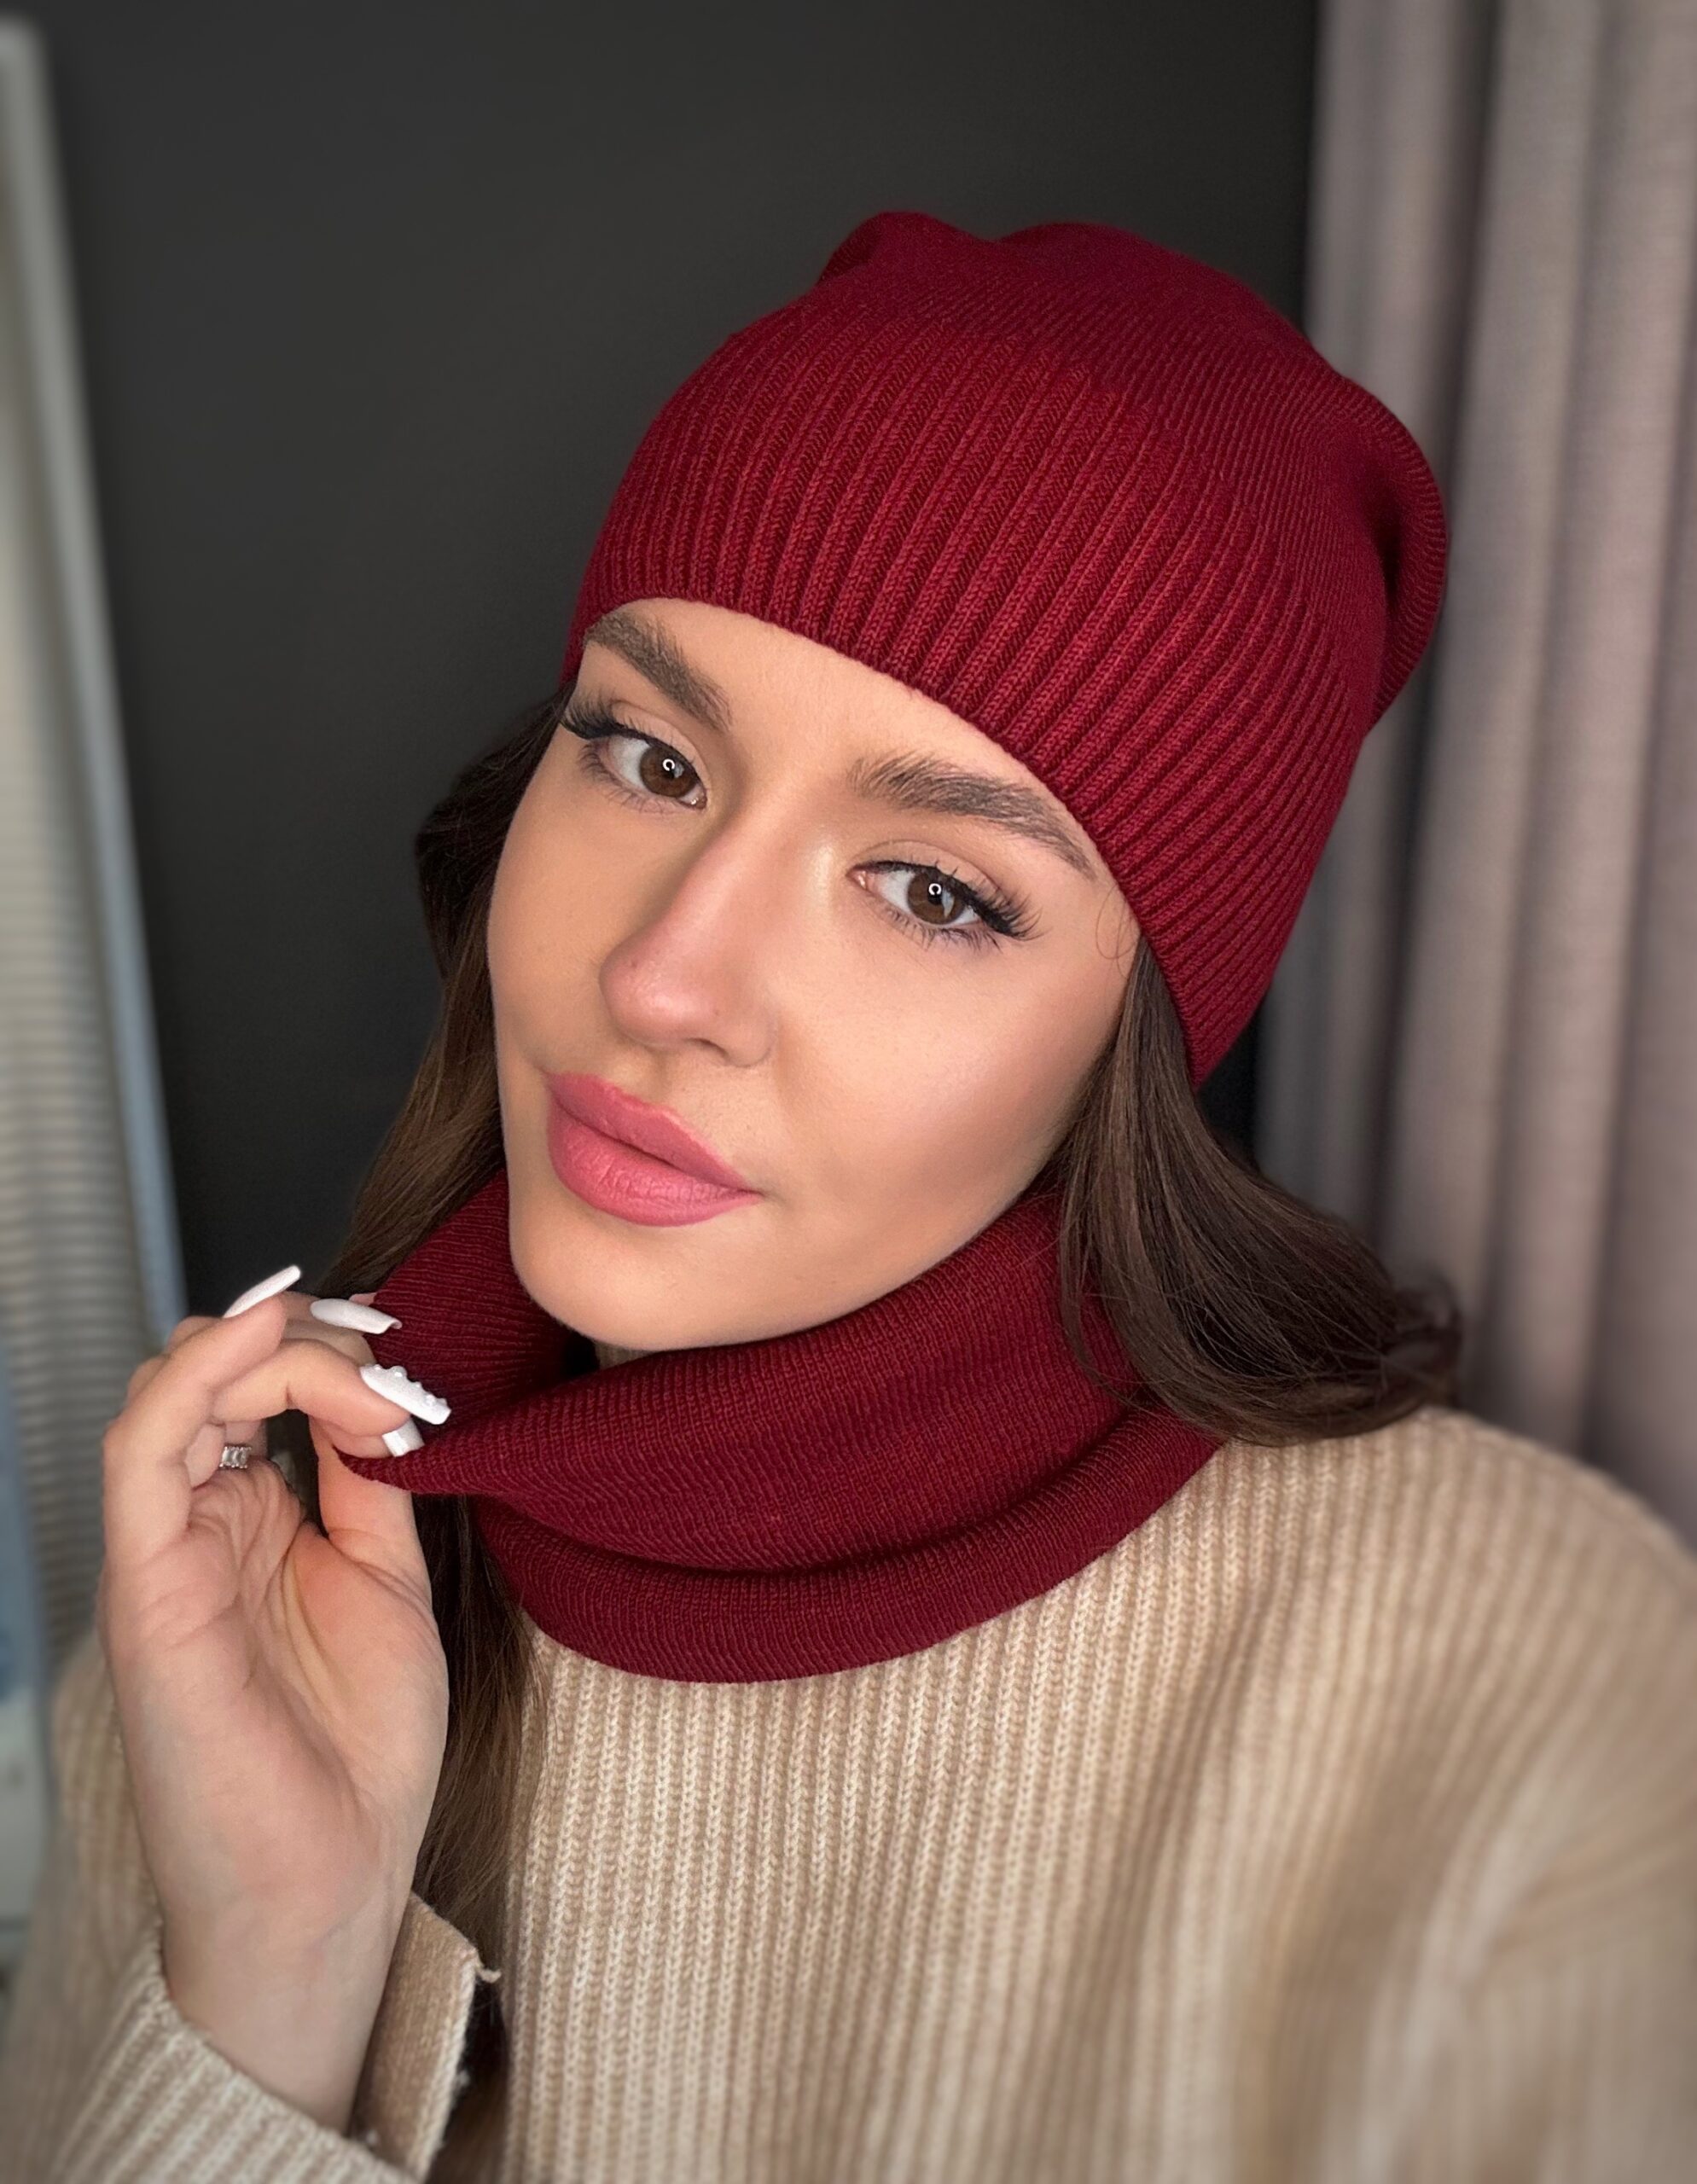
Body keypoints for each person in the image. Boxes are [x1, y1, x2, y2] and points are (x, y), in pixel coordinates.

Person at [3, 209, 1694, 2184]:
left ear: (1129, 1038)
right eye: (649, 757)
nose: (663, 977)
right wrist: (270, 1980)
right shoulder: (237, 1603)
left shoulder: (1518, 1695)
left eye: (932, 889)